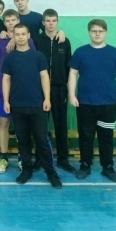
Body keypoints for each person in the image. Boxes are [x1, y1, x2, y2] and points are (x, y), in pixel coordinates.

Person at [2, 24, 62, 188]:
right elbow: (6, 80)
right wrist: (6, 101)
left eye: (23, 34)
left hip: (37, 105)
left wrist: (47, 98)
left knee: (42, 140)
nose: (20, 37)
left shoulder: (38, 56)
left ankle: (51, 173)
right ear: (14, 36)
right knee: (22, 140)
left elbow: (44, 77)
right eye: (17, 34)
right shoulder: (10, 58)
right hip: (17, 105)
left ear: (28, 35)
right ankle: (26, 170)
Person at [68, 19, 116, 182]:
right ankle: (85, 165)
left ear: (105, 32)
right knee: (85, 137)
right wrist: (72, 95)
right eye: (94, 31)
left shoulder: (115, 53)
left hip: (108, 104)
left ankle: (107, 167)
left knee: (106, 138)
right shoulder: (80, 52)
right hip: (85, 103)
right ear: (89, 32)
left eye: (100, 31)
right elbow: (72, 74)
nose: (97, 34)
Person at [0, 9, 35, 173]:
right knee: (4, 123)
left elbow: (32, 63)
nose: (11, 23)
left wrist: (14, 40)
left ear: (18, 21)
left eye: (13, 20)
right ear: (4, 22)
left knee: (21, 125)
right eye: (8, 20)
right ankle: (4, 158)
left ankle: (21, 157)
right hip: (3, 87)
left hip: (22, 89)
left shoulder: (27, 40)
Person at [34, 9, 76, 174]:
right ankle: (39, 158)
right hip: (39, 89)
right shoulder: (36, 40)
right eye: (48, 21)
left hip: (59, 89)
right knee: (40, 126)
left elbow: (69, 67)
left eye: (53, 21)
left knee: (61, 125)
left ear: (57, 22)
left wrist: (68, 90)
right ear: (43, 23)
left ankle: (63, 159)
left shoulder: (65, 42)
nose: (51, 24)